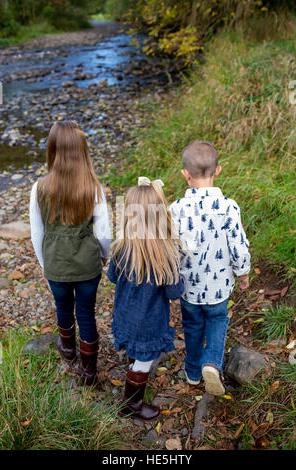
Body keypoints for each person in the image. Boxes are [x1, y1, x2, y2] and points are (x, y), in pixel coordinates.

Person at [29, 120, 111, 386]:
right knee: (86, 312)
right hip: (87, 265)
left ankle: (67, 350)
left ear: (52, 150)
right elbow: (103, 233)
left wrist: (45, 264)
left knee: (62, 305)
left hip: (56, 265)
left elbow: (37, 233)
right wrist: (104, 255)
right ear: (83, 150)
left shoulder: (39, 188)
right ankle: (89, 373)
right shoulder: (94, 187)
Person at [169, 140, 250, 396]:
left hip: (189, 287)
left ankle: (193, 372)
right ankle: (212, 363)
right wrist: (243, 270)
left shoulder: (176, 209)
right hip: (218, 286)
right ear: (218, 171)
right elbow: (238, 243)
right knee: (217, 320)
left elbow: (171, 248)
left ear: (185, 174)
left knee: (192, 326)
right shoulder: (228, 207)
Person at [107, 177, 183, 421]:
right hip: (149, 323)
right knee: (144, 360)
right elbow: (174, 293)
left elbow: (111, 276)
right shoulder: (166, 254)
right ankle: (132, 405)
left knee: (135, 351)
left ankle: (132, 366)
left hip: (125, 315)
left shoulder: (121, 248)